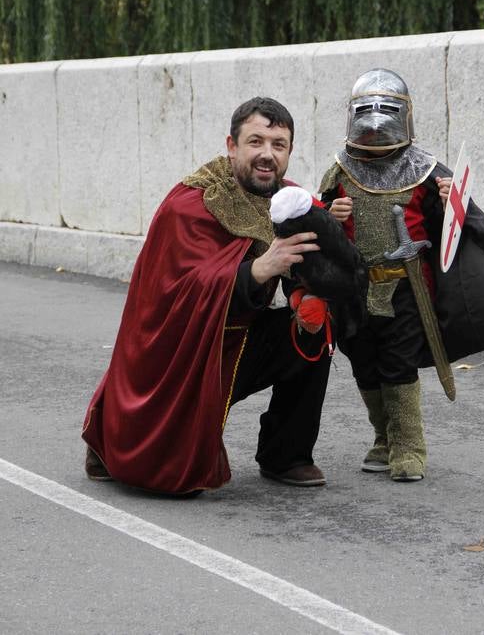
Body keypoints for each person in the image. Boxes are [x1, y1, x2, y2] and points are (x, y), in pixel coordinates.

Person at [82, 97, 331, 494]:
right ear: (231, 146)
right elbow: (176, 294)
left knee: (313, 330)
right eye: (255, 142)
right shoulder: (189, 205)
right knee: (165, 472)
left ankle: (287, 455)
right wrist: (258, 269)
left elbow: (322, 266)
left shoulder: (291, 200)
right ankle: (114, 434)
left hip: (239, 339)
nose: (267, 155)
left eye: (278, 145)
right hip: (181, 352)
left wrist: (333, 232)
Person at [320, 68, 484, 483]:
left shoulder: (427, 170)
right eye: (368, 109)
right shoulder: (338, 172)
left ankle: (409, 447)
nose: (376, 118)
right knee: (365, 365)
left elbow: (454, 230)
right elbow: (319, 228)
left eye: (386, 109)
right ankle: (384, 438)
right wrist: (330, 216)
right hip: (357, 288)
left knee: (398, 364)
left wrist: (452, 203)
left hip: (408, 288)